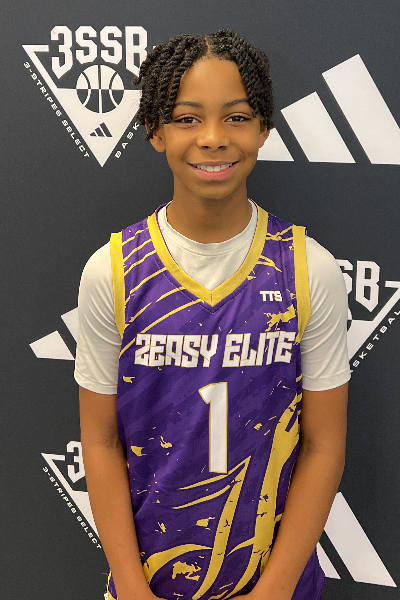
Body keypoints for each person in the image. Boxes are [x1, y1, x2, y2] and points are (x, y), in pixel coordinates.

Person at [75, 29, 350, 600]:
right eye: (187, 118)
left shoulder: (308, 269)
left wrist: (272, 593)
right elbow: (100, 442)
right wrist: (132, 589)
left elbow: (323, 445)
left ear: (263, 129)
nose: (213, 138)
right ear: (154, 130)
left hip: (278, 586)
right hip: (148, 585)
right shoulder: (113, 272)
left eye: (237, 117)